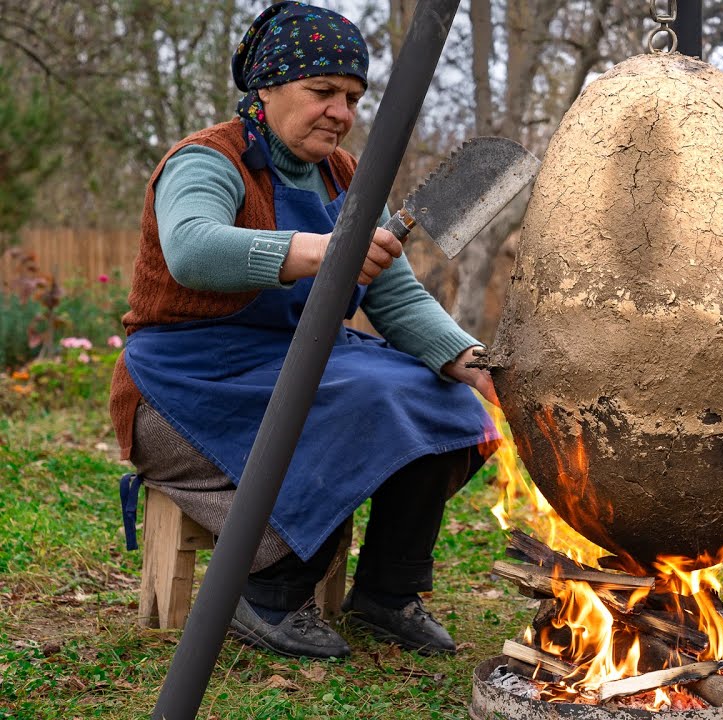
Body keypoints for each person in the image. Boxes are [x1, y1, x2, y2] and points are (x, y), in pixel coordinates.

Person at [110, 1, 499, 661]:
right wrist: (326, 250)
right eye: (322, 91)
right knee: (353, 400)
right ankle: (264, 594)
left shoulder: (345, 176)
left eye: (351, 97)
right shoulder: (208, 161)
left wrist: (468, 359)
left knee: (442, 397)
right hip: (185, 386)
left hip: (302, 365)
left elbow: (395, 294)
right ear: (267, 87)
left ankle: (388, 591)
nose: (340, 112)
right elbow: (193, 249)